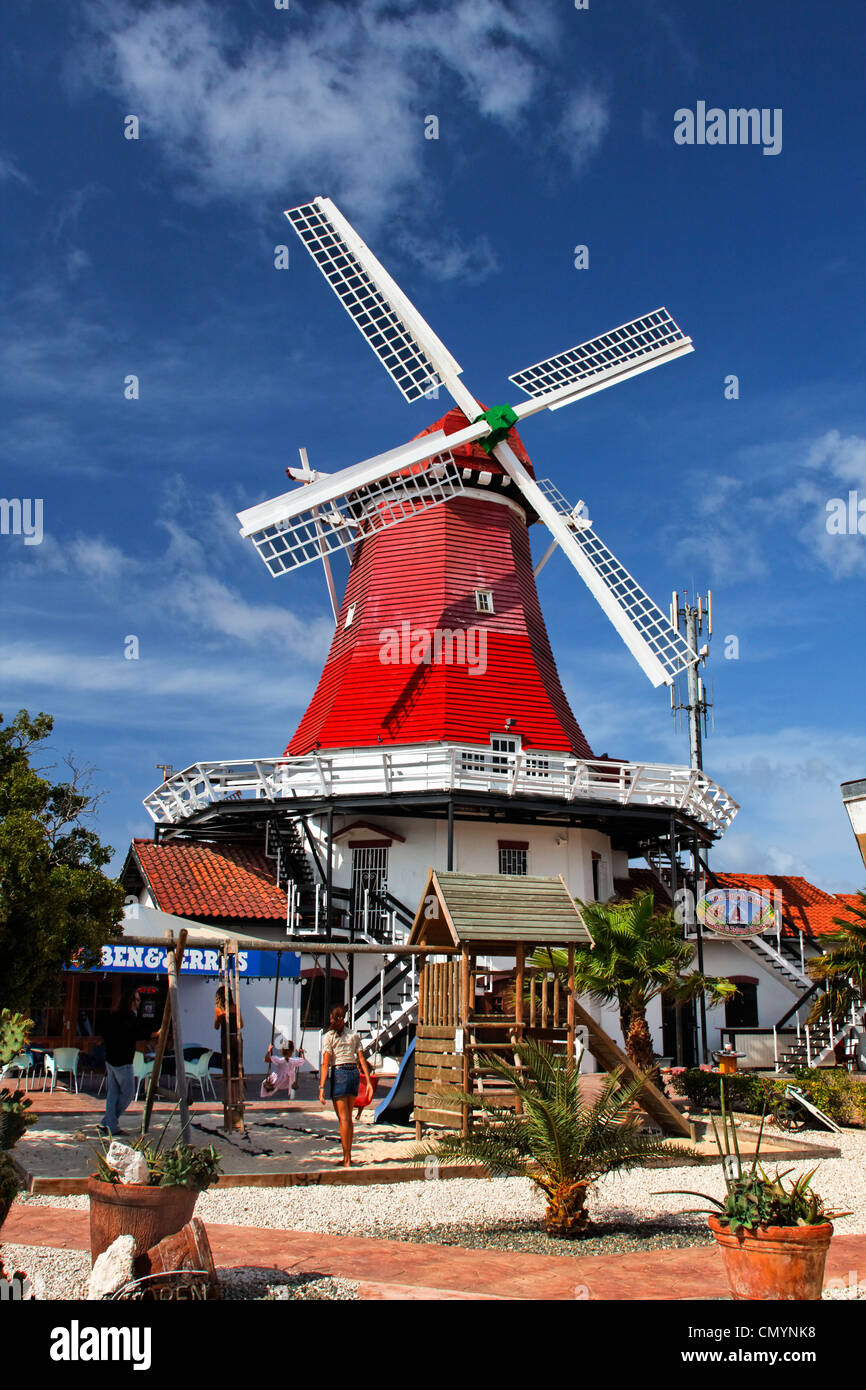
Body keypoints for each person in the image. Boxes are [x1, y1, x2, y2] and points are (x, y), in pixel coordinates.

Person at [319, 1005, 374, 1167]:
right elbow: (361, 1059)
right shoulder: (354, 1035)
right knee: (348, 1118)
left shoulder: (329, 1037)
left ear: (332, 1019)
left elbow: (325, 1063)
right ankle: (348, 1156)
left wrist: (321, 1087)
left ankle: (347, 1159)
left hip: (340, 1073)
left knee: (343, 1119)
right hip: (353, 1074)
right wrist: (369, 1082)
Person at [98, 987, 155, 1136]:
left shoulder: (114, 1016)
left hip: (110, 1058)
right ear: (131, 1001)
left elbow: (105, 1032)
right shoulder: (129, 1017)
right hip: (122, 1061)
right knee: (128, 1093)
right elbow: (136, 1033)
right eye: (137, 999)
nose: (139, 1002)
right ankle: (109, 1122)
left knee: (113, 1093)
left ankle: (108, 1123)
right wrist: (154, 1034)